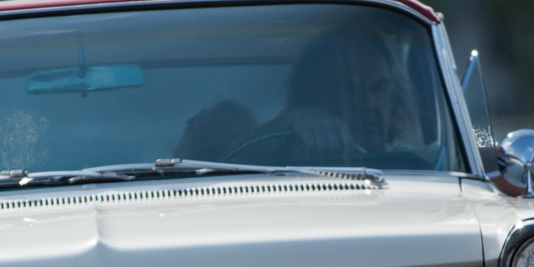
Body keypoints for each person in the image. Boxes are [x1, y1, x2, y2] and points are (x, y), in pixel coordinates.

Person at [176, 25, 422, 164]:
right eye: (349, 90)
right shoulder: (286, 167)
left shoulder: (416, 163)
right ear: (315, 99)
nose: (368, 103)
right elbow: (226, 169)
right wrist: (291, 122)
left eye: (379, 88)